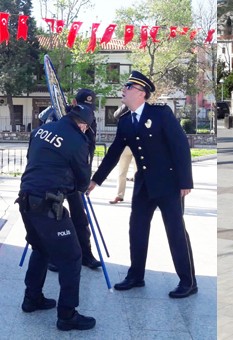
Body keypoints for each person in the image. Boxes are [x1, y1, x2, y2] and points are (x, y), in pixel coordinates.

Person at [87, 71, 197, 298]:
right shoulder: (125, 121)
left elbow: (180, 146)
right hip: (143, 186)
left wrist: (185, 181)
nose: (123, 91)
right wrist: (95, 181)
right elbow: (113, 154)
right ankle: (136, 275)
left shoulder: (161, 114)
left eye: (127, 87)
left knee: (175, 232)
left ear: (141, 93)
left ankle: (188, 281)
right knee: (136, 229)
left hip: (168, 184)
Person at [17, 104, 96, 331]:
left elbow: (34, 159)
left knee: (41, 249)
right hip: (48, 206)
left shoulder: (40, 131)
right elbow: (81, 183)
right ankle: (67, 315)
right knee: (72, 257)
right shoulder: (78, 141)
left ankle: (31, 299)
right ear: (83, 125)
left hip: (25, 200)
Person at [46, 89, 101, 272]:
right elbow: (42, 121)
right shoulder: (62, 115)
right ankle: (52, 256)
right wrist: (56, 110)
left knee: (80, 217)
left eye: (90, 107)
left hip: (77, 175)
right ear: (74, 103)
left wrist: (86, 176)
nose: (87, 112)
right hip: (57, 176)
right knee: (53, 216)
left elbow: (89, 149)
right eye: (83, 106)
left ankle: (86, 254)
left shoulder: (90, 118)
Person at [110, 105, 137, 204]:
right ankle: (119, 195)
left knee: (138, 173)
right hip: (125, 145)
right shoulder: (125, 109)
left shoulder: (143, 109)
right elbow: (116, 115)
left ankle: (138, 197)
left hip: (138, 145)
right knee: (121, 172)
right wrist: (126, 105)